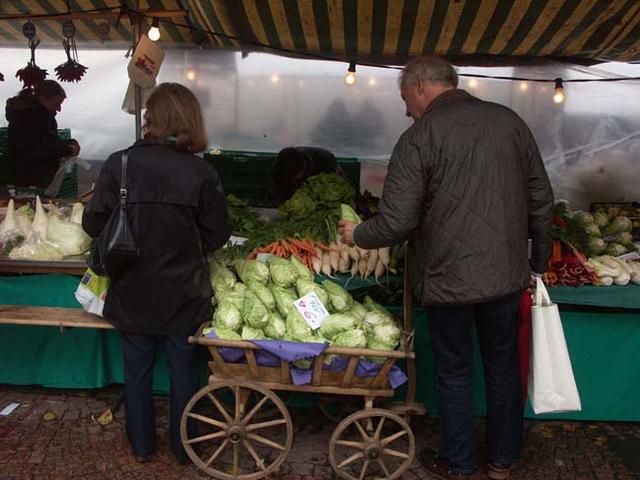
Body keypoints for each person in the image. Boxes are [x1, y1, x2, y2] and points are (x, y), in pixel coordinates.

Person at [339, 56, 553, 480]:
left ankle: (457, 463)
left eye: (405, 98)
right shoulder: (510, 123)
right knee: (503, 366)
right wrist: (538, 263)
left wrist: (356, 235)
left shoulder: (420, 137)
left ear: (420, 88)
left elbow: (397, 221)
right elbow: (541, 202)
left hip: (447, 279)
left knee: (454, 370)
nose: (405, 109)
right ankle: (502, 461)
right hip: (505, 277)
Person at [82, 83, 231, 464]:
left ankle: (142, 445)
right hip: (185, 293)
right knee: (184, 373)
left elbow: (94, 222)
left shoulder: (120, 164)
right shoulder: (202, 172)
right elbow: (218, 235)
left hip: (133, 289)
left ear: (150, 118)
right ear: (189, 121)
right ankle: (185, 449)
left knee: (137, 371)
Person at [5, 80, 81, 189]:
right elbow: (36, 149)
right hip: (28, 177)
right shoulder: (27, 118)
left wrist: (70, 143)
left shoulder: (46, 116)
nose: (59, 109)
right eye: (56, 104)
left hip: (40, 174)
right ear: (42, 99)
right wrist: (67, 149)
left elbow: (50, 141)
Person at [272, 146, 342, 203]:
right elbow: (278, 195)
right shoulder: (279, 169)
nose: (293, 182)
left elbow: (340, 186)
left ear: (303, 167)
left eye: (294, 178)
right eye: (289, 178)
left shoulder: (325, 161)